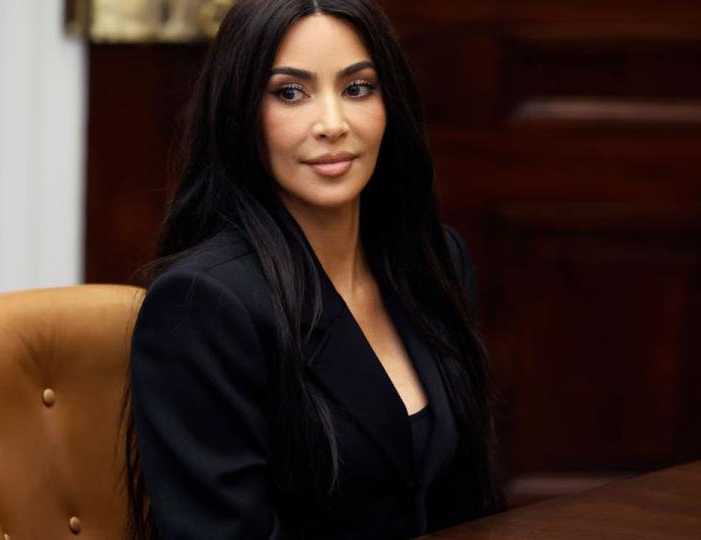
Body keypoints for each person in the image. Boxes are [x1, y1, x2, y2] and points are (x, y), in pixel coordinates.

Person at [125, 0, 506, 538]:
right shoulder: (201, 306)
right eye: (290, 92)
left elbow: (470, 503)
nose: (332, 123)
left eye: (357, 88)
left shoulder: (434, 261)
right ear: (241, 114)